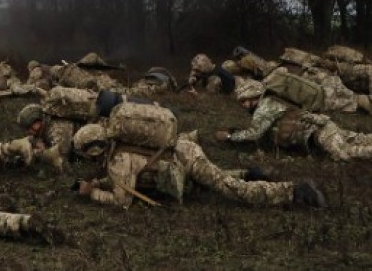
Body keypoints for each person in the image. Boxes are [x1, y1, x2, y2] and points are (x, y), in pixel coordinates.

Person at [71, 107, 327, 209]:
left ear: (93, 149)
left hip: (185, 157)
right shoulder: (117, 148)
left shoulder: (117, 161)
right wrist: (99, 183)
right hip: (182, 151)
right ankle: (250, 174)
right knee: (217, 181)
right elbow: (127, 179)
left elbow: (122, 200)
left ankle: (295, 192)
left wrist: (91, 193)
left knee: (229, 189)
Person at [215, 79, 372, 161]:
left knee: (345, 153)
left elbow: (254, 134)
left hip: (319, 133)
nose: (242, 105)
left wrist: (230, 137)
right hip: (322, 126)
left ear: (252, 96)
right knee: (358, 138)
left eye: (243, 101)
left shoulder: (264, 107)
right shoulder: (272, 99)